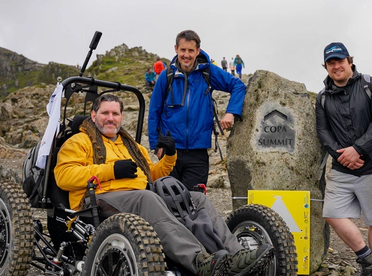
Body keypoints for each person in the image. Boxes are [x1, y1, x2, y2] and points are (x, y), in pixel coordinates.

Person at [54, 94, 273, 276]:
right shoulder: (78, 142)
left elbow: (152, 174)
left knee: (196, 199)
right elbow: (63, 176)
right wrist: (110, 170)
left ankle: (236, 257)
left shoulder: (131, 145)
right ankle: (200, 261)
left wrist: (169, 155)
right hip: (97, 200)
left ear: (121, 117)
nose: (110, 118)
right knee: (148, 198)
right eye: (105, 113)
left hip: (138, 196)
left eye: (115, 113)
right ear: (93, 116)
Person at [315, 42, 372, 276]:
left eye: (340, 61)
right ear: (326, 67)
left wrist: (357, 149)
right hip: (343, 168)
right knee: (332, 214)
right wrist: (343, 155)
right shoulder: (322, 97)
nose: (336, 66)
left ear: (350, 62)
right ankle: (367, 258)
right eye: (331, 63)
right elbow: (323, 132)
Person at [148, 30, 246, 191]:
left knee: (195, 201)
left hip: (198, 152)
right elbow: (154, 112)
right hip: (170, 152)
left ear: (198, 51)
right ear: (176, 49)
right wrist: (156, 146)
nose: (186, 55)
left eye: (191, 51)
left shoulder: (207, 72)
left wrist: (231, 112)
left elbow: (238, 85)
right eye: (183, 50)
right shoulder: (166, 76)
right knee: (168, 201)